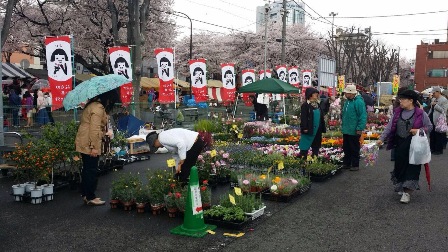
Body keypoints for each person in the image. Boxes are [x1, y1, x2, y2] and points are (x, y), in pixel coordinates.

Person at [377, 90, 432, 204]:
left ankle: (407, 192)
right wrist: (381, 139)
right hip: (400, 143)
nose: (399, 101)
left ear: (411, 101)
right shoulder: (397, 113)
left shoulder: (421, 114)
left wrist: (419, 130)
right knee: (400, 166)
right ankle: (402, 186)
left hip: (415, 145)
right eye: (399, 99)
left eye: (402, 99)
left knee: (412, 167)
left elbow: (429, 127)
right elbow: (389, 127)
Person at [75, 89, 121, 206]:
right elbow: (94, 129)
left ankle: (86, 194)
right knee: (91, 169)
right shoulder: (98, 108)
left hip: (83, 139)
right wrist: (94, 147)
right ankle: (91, 196)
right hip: (89, 142)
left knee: (87, 169)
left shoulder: (92, 104)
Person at [341, 84, 367, 171]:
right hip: (346, 129)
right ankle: (347, 163)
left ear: (351, 93)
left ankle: (355, 164)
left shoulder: (358, 102)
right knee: (346, 147)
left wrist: (360, 128)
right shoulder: (347, 101)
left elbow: (362, 115)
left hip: (354, 129)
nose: (345, 94)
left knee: (354, 147)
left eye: (346, 93)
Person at [299, 88, 326, 159]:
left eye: (317, 93)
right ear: (310, 95)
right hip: (309, 128)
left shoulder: (317, 104)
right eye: (314, 93)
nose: (316, 95)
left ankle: (314, 159)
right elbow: (303, 117)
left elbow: (323, 113)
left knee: (316, 145)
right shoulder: (305, 105)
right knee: (305, 145)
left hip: (317, 129)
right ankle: (303, 159)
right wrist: (304, 127)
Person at [427, 87, 448, 155]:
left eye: (434, 93)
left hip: (439, 120)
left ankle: (438, 150)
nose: (433, 94)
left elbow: (443, 110)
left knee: (438, 135)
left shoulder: (444, 100)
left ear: (438, 92)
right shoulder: (433, 99)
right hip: (431, 118)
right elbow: (431, 108)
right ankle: (432, 148)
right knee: (432, 134)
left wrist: (435, 105)